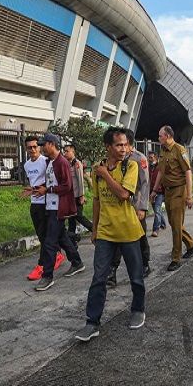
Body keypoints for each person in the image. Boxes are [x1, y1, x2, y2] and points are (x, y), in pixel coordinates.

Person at [75, 127, 146, 342]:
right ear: (108, 147)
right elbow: (97, 201)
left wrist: (105, 175)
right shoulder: (98, 170)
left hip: (129, 230)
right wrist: (95, 229)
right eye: (118, 145)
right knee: (99, 277)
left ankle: (138, 309)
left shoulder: (130, 166)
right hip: (106, 231)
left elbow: (124, 194)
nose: (123, 149)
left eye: (125, 144)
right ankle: (92, 322)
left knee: (135, 276)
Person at [34, 133, 85, 291]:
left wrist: (47, 190)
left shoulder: (62, 162)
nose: (42, 148)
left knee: (50, 242)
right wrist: (38, 188)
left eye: (44, 145)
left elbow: (67, 186)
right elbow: (51, 181)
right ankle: (77, 263)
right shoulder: (51, 162)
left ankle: (47, 276)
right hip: (50, 206)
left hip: (58, 207)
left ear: (51, 144)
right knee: (62, 237)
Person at [108, 129, 152, 285]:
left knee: (140, 236)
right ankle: (112, 271)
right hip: (120, 206)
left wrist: (142, 207)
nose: (122, 147)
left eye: (124, 143)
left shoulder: (139, 159)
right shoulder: (117, 159)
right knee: (118, 238)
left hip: (136, 204)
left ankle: (145, 263)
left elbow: (145, 184)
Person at [151, 125, 193, 271]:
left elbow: (188, 172)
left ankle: (176, 258)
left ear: (168, 136)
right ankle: (191, 244)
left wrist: (189, 195)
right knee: (173, 223)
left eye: (160, 136)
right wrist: (154, 190)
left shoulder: (179, 150)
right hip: (168, 191)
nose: (159, 138)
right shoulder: (163, 151)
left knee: (176, 225)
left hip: (179, 190)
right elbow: (160, 172)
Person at [22, 135, 63, 281]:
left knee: (47, 238)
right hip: (35, 202)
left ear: (39, 147)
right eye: (30, 147)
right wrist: (31, 190)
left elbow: (51, 180)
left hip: (47, 202)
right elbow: (34, 183)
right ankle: (59, 254)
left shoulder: (45, 161)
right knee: (43, 235)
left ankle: (42, 266)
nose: (33, 149)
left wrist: (44, 190)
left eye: (35, 146)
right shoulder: (27, 165)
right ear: (26, 149)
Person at [63, 143, 94, 243]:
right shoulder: (67, 164)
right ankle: (73, 238)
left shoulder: (77, 164)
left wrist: (82, 196)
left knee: (78, 216)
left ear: (73, 152)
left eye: (67, 151)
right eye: (64, 151)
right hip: (70, 196)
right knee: (71, 218)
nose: (65, 153)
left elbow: (80, 181)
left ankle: (93, 229)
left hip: (77, 196)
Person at [148, 151, 167, 237]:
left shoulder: (159, 167)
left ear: (155, 158)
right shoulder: (148, 168)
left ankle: (156, 229)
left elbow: (162, 180)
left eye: (151, 157)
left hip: (159, 192)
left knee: (157, 210)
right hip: (150, 192)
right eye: (149, 157)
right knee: (157, 210)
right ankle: (163, 223)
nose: (150, 159)